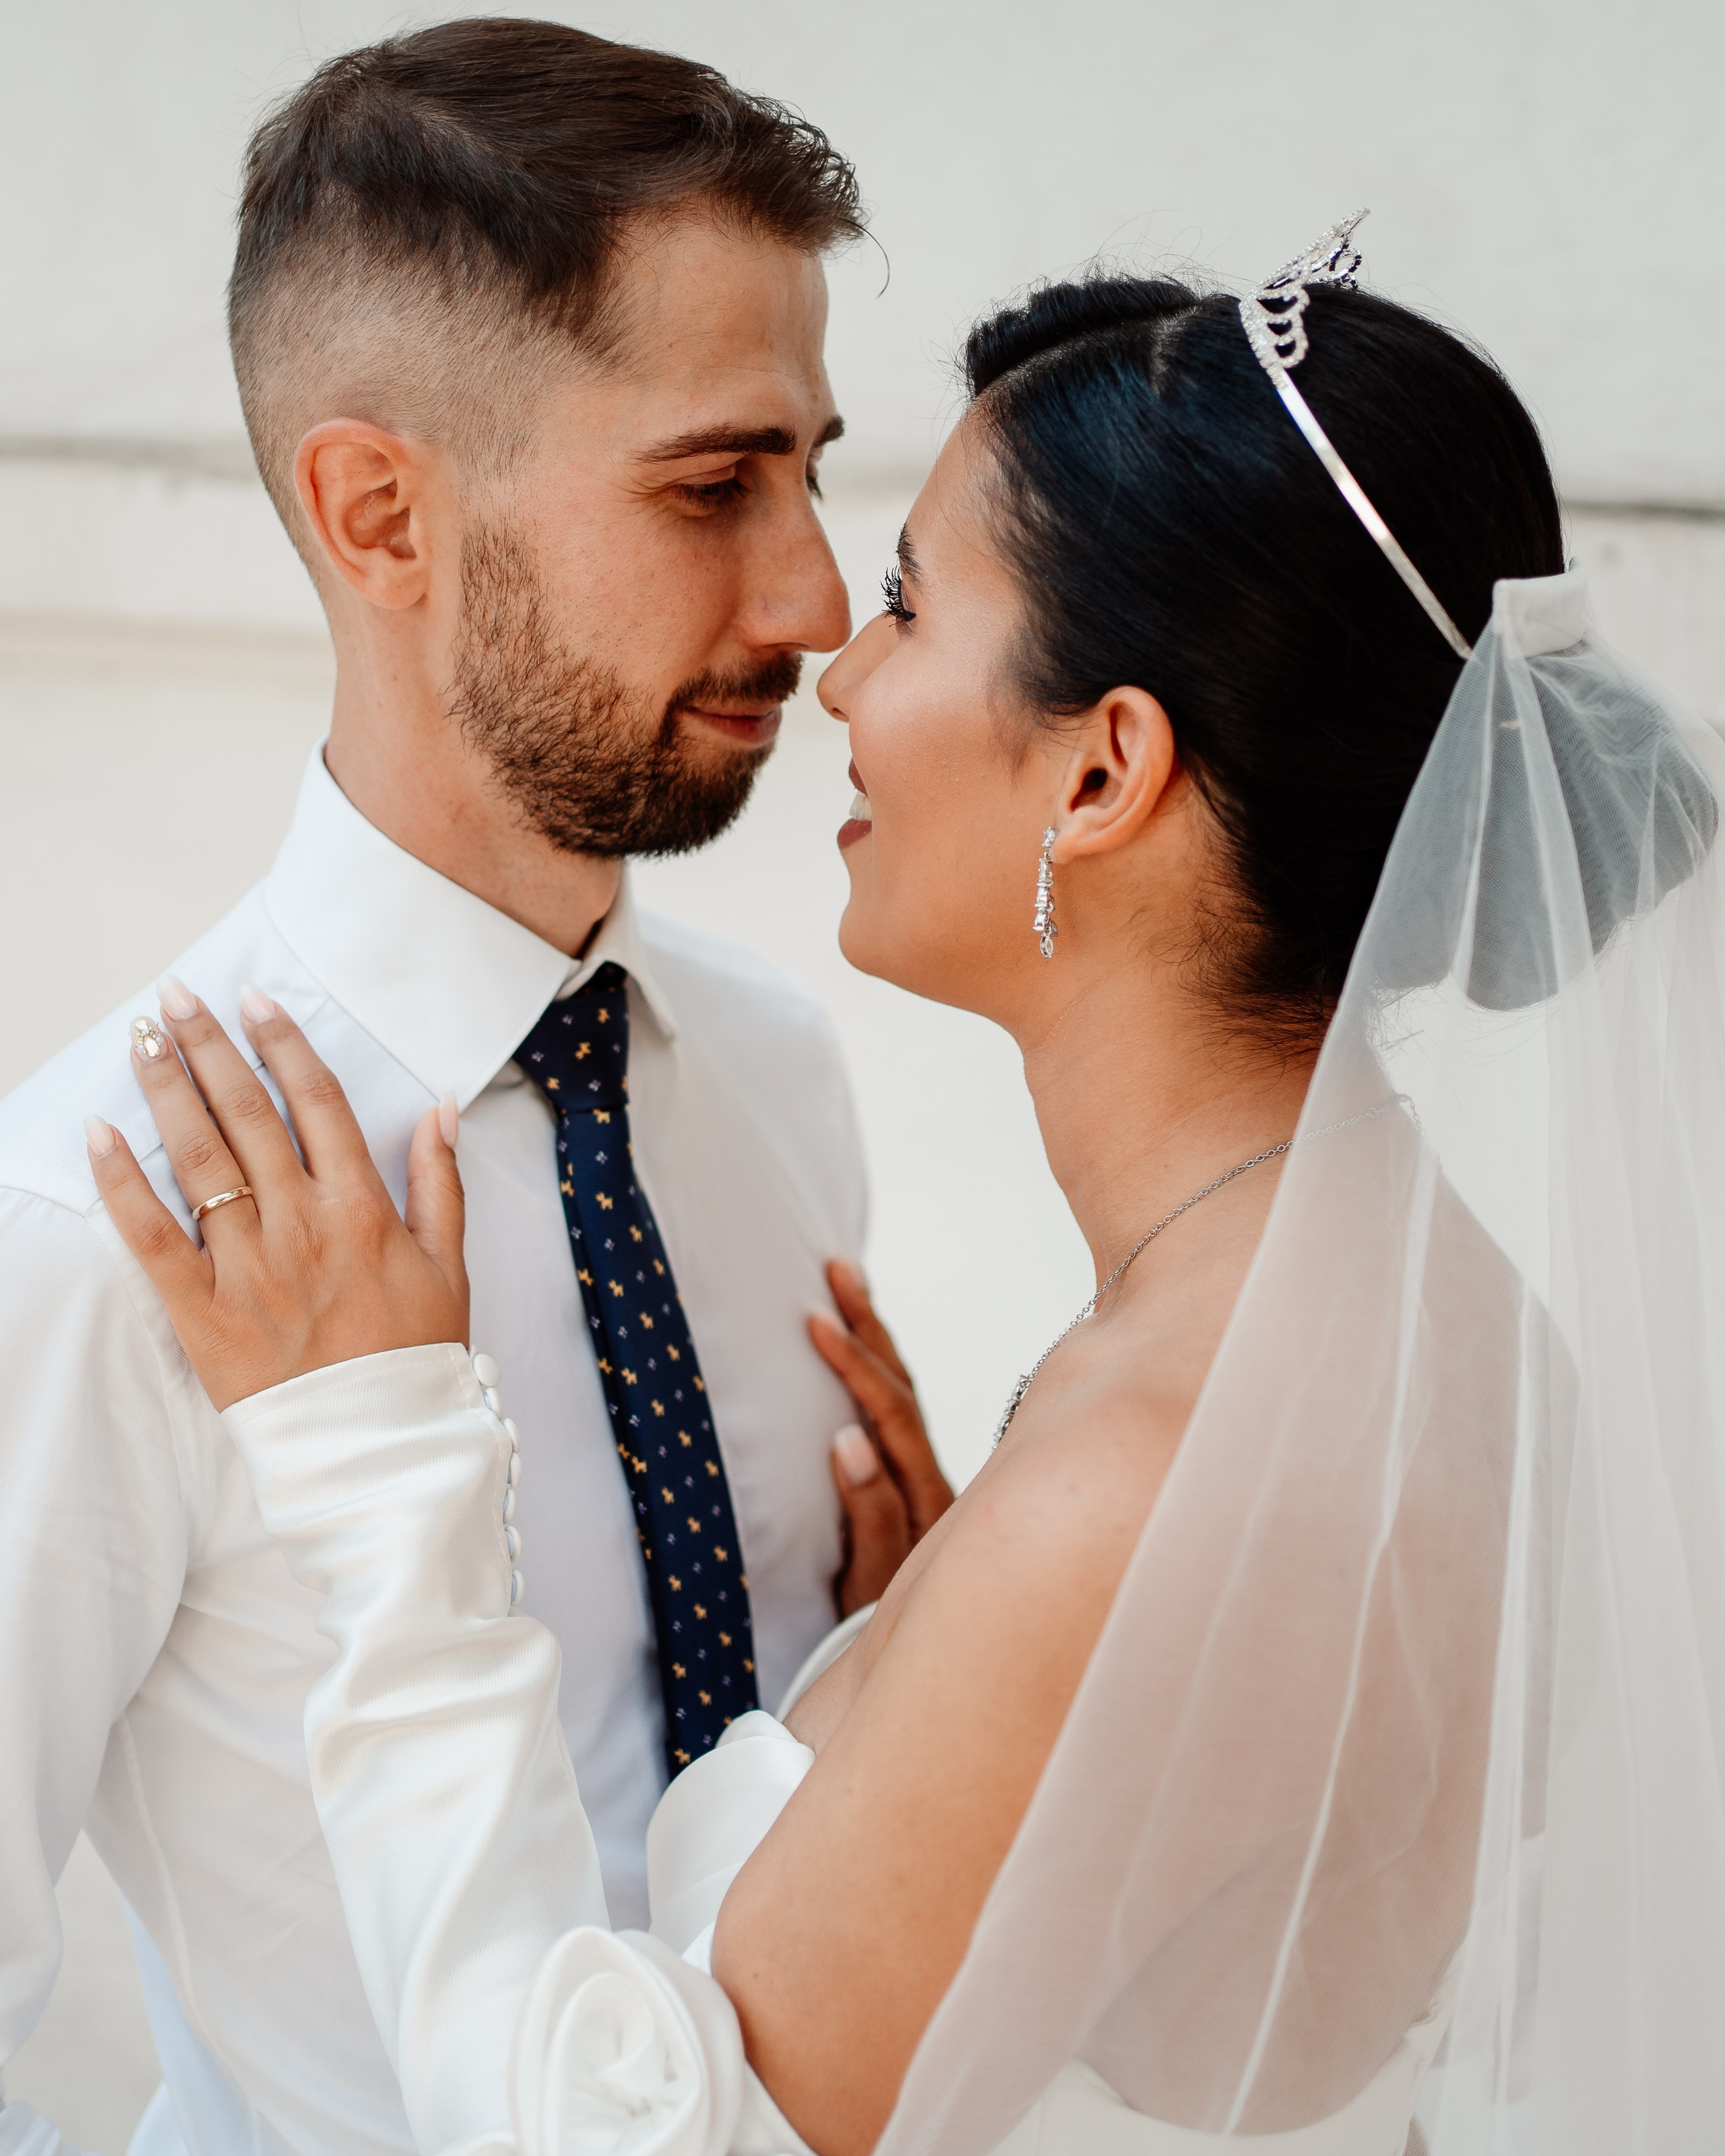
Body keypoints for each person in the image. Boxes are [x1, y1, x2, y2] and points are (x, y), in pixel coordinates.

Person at [90, 219, 1725, 2155]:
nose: (835, 671)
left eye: (909, 606)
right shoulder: (1455, 1325)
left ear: (1103, 774)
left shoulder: (1136, 1496)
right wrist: (919, 1662)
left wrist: (379, 1468)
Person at [0, 24, 953, 2156]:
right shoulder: (93, 1225)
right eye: (712, 486)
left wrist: (906, 1679)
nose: (814, 599)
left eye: (811, 471)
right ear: (382, 516)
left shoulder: (778, 1077)